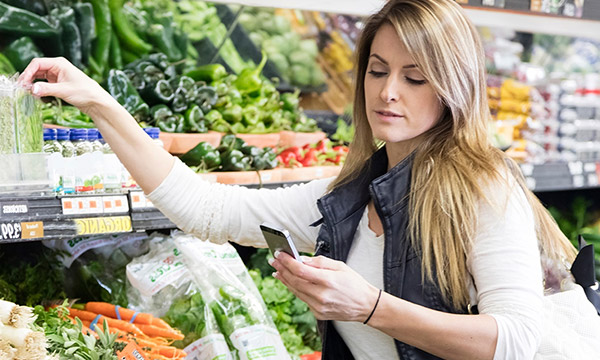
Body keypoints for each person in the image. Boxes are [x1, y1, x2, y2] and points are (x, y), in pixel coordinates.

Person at [17, 0, 597, 359]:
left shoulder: (481, 187)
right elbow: (208, 210)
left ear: (453, 88)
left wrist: (368, 306)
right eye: (376, 70)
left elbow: (513, 341)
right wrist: (99, 102)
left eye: (415, 78)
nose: (387, 91)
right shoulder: (345, 196)